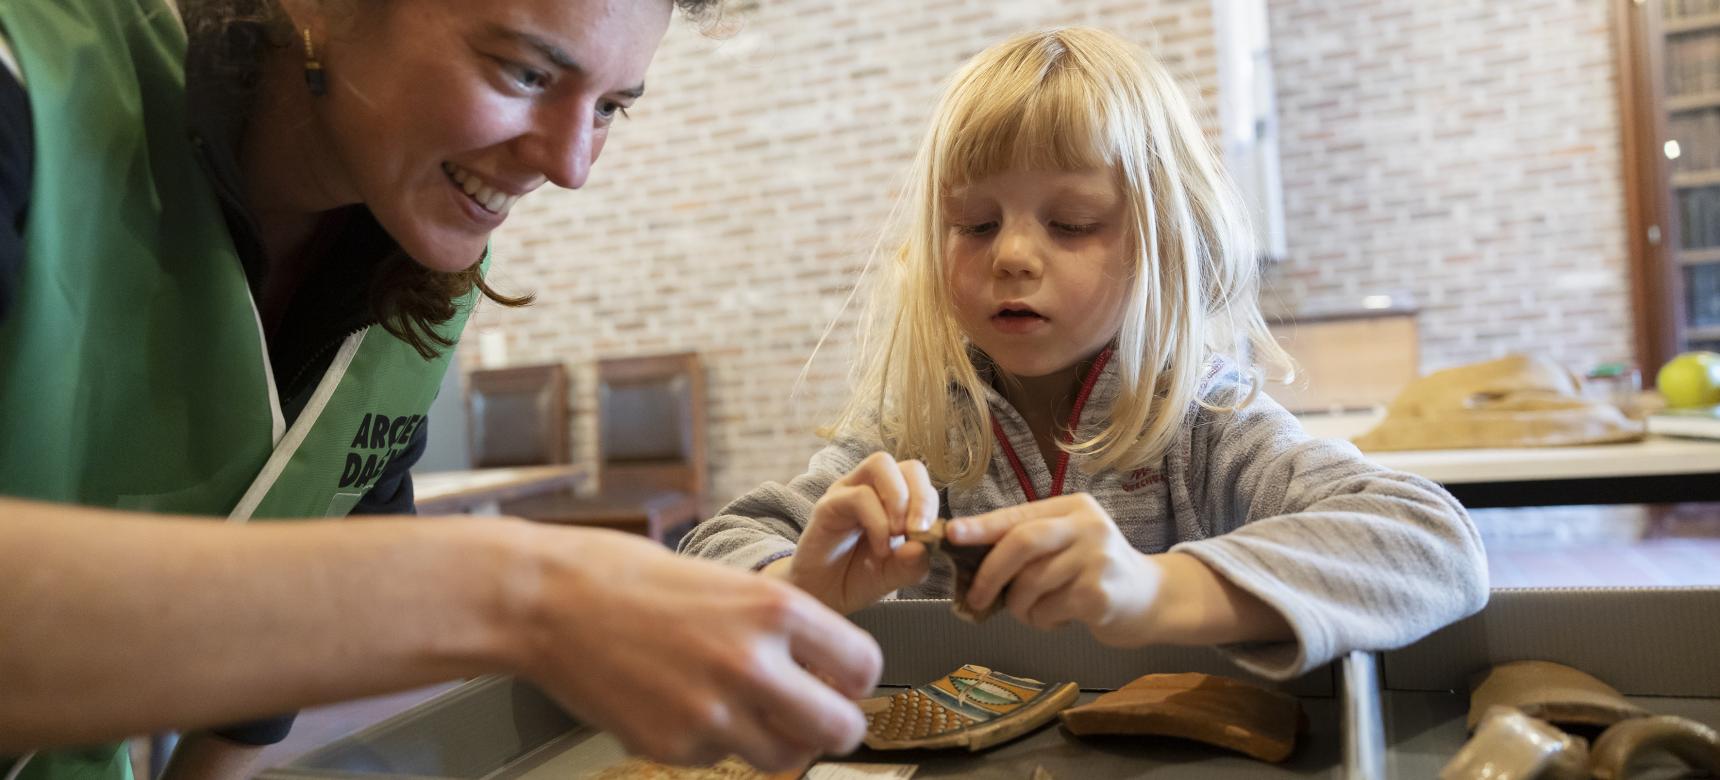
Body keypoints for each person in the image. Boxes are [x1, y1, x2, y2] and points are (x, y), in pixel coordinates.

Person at [0, 1, 880, 778]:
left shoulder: (414, 271)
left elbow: (286, 641)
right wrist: (520, 596)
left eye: (611, 107)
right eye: (525, 71)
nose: (572, 166)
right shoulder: (31, 77)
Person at [680, 26, 1489, 680]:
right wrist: (800, 584)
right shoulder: (914, 432)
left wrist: (1155, 591)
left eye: (1071, 223)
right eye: (976, 223)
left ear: (1165, 246)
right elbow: (712, 549)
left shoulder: (1206, 420)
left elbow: (1433, 543)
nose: (1014, 257)